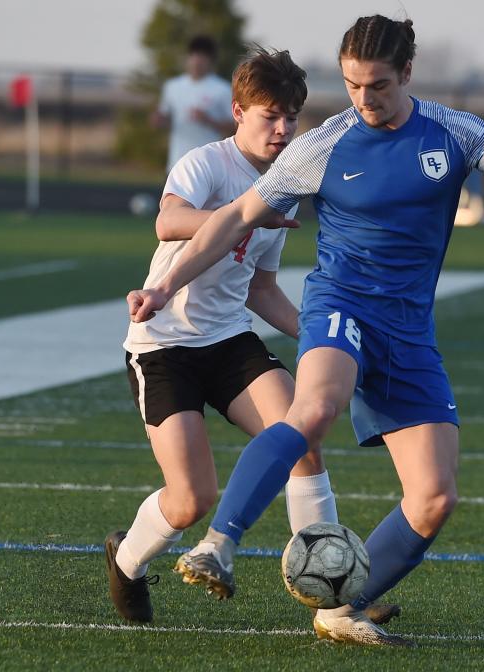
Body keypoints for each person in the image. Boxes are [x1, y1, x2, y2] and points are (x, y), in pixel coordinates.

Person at [128, 15, 484, 645]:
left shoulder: (454, 131)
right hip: (341, 303)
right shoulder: (324, 144)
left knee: (434, 497)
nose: (364, 99)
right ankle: (218, 543)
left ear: (407, 74)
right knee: (315, 408)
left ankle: (340, 605)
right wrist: (165, 286)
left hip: (408, 328)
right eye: (353, 85)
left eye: (379, 86)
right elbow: (233, 220)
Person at [106, 47, 338, 624]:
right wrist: (246, 212)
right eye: (269, 117)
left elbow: (260, 290)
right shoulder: (206, 162)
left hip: (230, 340)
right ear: (238, 111)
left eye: (291, 118)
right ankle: (125, 560)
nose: (283, 131)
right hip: (162, 346)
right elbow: (168, 220)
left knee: (302, 435)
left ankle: (331, 597)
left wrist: (322, 337)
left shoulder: (283, 185)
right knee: (191, 501)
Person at [152, 35, 236, 172]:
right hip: (176, 164)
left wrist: (209, 120)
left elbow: (235, 126)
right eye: (194, 55)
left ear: (211, 61)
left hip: (207, 166)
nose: (197, 61)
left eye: (203, 57)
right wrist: (158, 120)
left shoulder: (222, 89)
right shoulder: (172, 86)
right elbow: (165, 117)